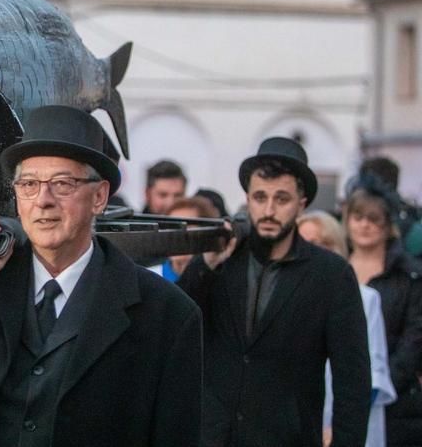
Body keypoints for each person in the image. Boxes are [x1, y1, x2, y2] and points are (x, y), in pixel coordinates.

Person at [0, 105, 203, 446]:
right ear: (16, 197)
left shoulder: (166, 314)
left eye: (63, 184)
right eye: (29, 184)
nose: (43, 201)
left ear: (100, 196)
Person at [177, 136, 371, 446]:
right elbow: (178, 323)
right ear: (248, 199)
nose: (268, 210)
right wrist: (205, 265)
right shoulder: (222, 260)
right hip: (212, 437)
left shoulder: (331, 275)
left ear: (301, 204)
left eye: (281, 199)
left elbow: (354, 382)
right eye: (260, 197)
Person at [298, 210, 396, 447]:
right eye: (305, 243)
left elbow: (372, 371)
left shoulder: (365, 298)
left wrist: (341, 427)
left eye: (322, 243)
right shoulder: (290, 298)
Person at [343, 185, 422, 445]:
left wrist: (381, 386)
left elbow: (413, 338)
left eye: (373, 219)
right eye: (358, 217)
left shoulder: (408, 276)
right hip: (338, 395)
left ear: (388, 226)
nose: (364, 225)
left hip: (395, 403)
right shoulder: (334, 269)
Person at [147, 195, 219, 282]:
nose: (177, 235)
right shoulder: (148, 277)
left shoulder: (218, 281)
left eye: (187, 229)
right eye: (171, 227)